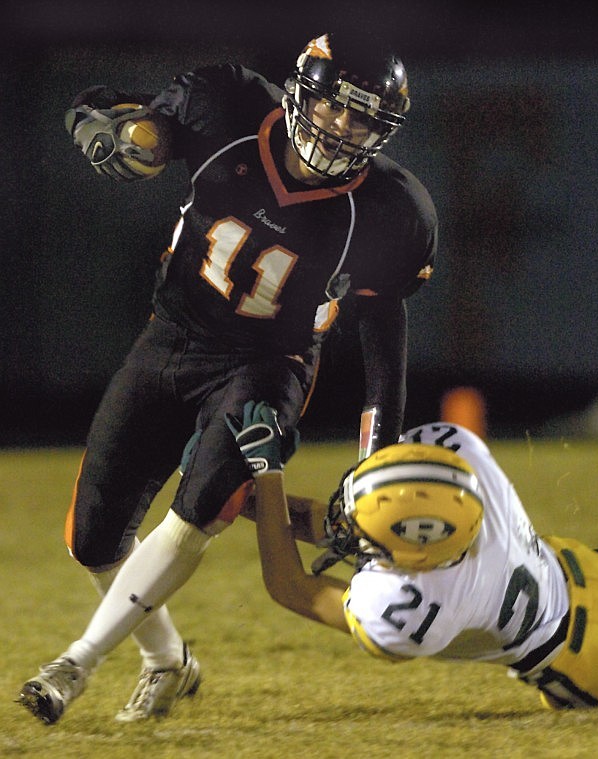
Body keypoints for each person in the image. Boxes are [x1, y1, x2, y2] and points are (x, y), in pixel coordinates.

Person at [17, 31, 436, 725]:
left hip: (271, 365)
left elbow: (382, 330)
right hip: (173, 336)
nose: (342, 127)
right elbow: (107, 115)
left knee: (198, 506)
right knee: (92, 539)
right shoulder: (230, 106)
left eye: (364, 118)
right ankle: (168, 663)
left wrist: (376, 459)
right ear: (303, 90)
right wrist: (123, 134)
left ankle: (74, 664)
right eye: (336, 106)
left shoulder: (393, 207)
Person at [239, 401, 598, 709]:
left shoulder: (411, 607)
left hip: (583, 663)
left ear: (417, 555)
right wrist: (252, 494)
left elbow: (291, 586)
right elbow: (363, 523)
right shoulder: (458, 454)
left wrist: (263, 477)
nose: (343, 524)